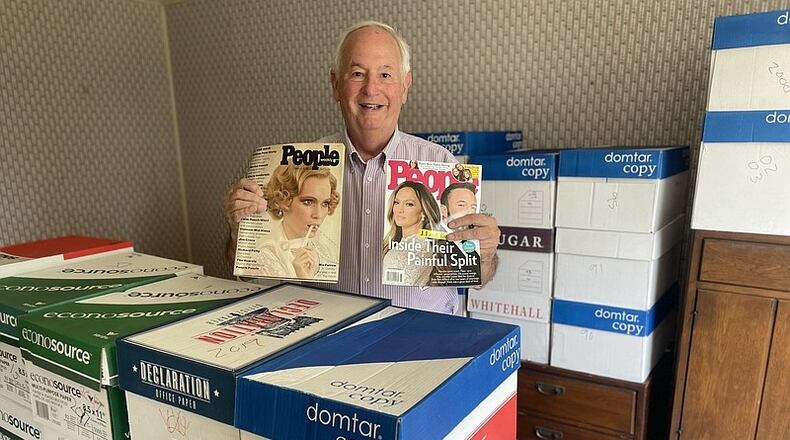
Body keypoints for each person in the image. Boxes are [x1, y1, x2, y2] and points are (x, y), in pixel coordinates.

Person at [223, 21, 500, 313]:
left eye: (385, 75)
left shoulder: (443, 164)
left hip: (421, 334)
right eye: (357, 74)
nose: (371, 89)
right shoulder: (302, 167)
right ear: (335, 85)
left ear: (405, 87)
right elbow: (248, 273)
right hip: (327, 330)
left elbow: (478, 277)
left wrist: (485, 255)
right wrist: (240, 231)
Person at [251, 164, 340, 279]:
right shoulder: (263, 257)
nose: (318, 215)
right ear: (284, 200)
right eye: (308, 202)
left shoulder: (327, 251)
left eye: (325, 203)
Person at [382, 181, 441, 286]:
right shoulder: (396, 243)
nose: (399, 210)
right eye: (396, 202)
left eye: (409, 204)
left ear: (423, 212)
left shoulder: (420, 247)